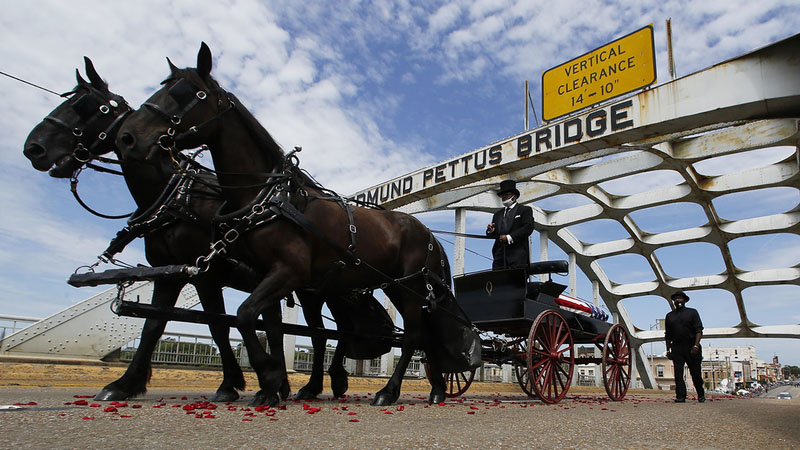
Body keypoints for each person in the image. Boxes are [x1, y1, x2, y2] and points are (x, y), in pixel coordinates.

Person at [664, 291, 705, 403]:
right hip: (677, 347)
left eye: (680, 298)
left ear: (685, 300)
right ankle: (681, 396)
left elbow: (698, 330)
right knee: (678, 374)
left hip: (691, 346)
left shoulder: (692, 312)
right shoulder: (670, 316)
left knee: (695, 373)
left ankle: (700, 394)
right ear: (674, 301)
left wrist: (696, 345)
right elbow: (667, 335)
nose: (678, 300)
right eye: (676, 298)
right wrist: (668, 350)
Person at [485, 179, 534, 270]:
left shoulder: (524, 210)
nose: (503, 197)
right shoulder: (497, 214)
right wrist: (491, 231)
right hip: (499, 258)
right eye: (502, 195)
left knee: (516, 283)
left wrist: (509, 237)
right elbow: (493, 235)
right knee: (498, 282)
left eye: (506, 194)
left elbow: (528, 228)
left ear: (514, 196)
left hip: (517, 258)